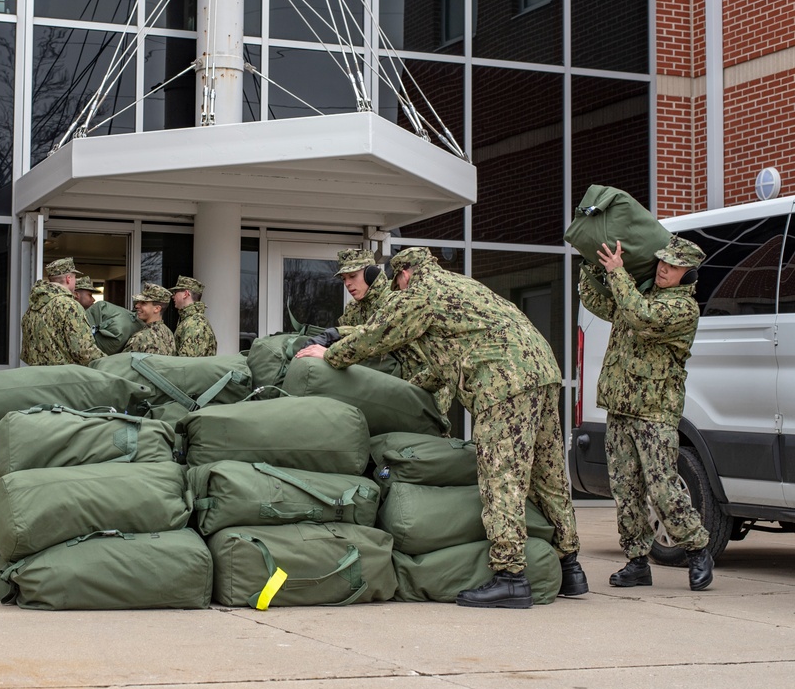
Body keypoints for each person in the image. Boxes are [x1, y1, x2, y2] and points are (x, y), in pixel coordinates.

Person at [296, 246, 588, 608]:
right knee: (549, 474)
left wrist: (331, 353)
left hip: (502, 380)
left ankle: (510, 576)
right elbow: (441, 365)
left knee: (501, 476)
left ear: (403, 275)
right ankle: (570, 566)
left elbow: (379, 335)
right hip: (541, 370)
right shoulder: (461, 288)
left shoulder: (421, 292)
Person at [584, 236, 713, 591]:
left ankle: (698, 547)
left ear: (688, 275)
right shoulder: (640, 295)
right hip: (621, 408)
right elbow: (597, 301)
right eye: (662, 262)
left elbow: (641, 317)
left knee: (663, 488)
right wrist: (590, 266)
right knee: (626, 490)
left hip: (654, 412)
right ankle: (636, 561)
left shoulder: (682, 309)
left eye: (672, 266)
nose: (663, 268)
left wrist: (618, 273)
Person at [306, 248, 454, 415]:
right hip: (381, 393)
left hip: (421, 389)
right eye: (344, 278)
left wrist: (336, 337)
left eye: (353, 276)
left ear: (371, 273)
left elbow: (375, 335)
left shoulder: (397, 300)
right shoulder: (353, 310)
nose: (347, 283)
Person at [21, 258, 104, 366]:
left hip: (36, 378)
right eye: (75, 278)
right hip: (63, 378)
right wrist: (108, 363)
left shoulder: (33, 307)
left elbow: (26, 353)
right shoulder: (69, 305)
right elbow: (84, 352)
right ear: (68, 279)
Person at [169, 275, 216, 357]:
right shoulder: (189, 320)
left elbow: (188, 364)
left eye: (175, 292)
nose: (173, 296)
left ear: (186, 294)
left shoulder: (195, 324)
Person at [123, 283, 175, 355]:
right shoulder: (168, 333)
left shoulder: (141, 337)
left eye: (143, 303)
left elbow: (121, 364)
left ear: (157, 308)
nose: (137, 305)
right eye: (138, 302)